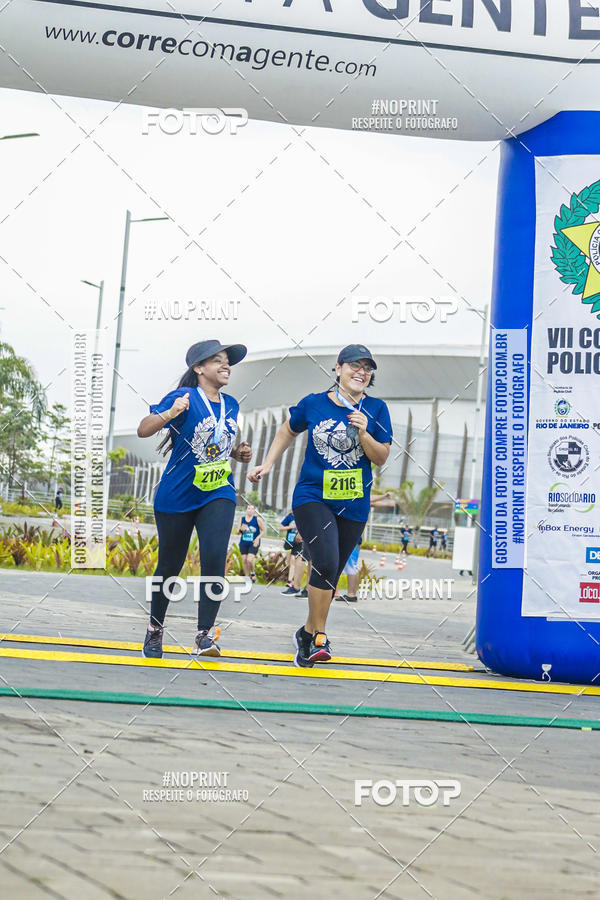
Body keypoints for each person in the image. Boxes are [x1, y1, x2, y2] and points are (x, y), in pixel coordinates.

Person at [248, 344, 392, 666]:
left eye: (367, 368)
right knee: (324, 561)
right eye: (354, 365)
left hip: (354, 504)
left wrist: (364, 432)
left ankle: (306, 633)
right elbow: (287, 430)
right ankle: (319, 636)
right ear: (338, 369)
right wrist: (268, 464)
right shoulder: (313, 404)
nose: (361, 372)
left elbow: (381, 457)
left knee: (330, 573)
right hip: (313, 497)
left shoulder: (377, 409)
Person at [137, 339, 251, 659]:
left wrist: (237, 453)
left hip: (218, 491)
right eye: (217, 360)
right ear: (199, 369)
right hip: (177, 495)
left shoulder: (232, 405)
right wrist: (170, 413)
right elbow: (143, 429)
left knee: (215, 557)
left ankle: (204, 635)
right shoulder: (182, 397)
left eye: (227, 360)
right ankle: (155, 628)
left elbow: (213, 441)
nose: (225, 365)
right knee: (169, 567)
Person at [280, 512, 307, 596]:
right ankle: (293, 582)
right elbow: (281, 527)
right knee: (290, 563)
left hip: (300, 542)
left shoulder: (304, 513)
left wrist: (300, 533)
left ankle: (292, 582)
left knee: (295, 560)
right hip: (290, 542)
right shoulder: (290, 516)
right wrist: (290, 527)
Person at [237, 503, 265, 583]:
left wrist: (257, 538)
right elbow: (238, 533)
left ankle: (252, 573)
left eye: (252, 509)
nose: (250, 510)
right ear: (246, 510)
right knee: (244, 560)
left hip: (254, 543)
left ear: (254, 511)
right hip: (244, 542)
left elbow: (263, 531)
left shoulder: (257, 519)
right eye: (248, 508)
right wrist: (241, 529)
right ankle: (246, 577)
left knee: (249, 560)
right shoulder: (241, 519)